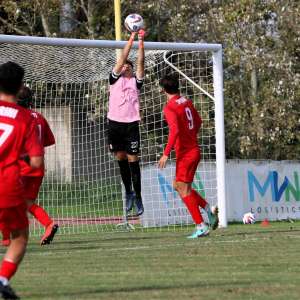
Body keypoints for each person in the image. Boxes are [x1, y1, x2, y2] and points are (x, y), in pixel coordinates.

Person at [0, 61, 44, 299]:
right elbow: (36, 162)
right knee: (19, 238)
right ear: (19, 88)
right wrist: (19, 158)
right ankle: (2, 279)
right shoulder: (26, 117)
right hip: (7, 186)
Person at [158, 74, 218, 238]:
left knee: (183, 190)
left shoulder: (170, 107)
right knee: (179, 185)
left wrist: (165, 154)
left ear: (163, 90)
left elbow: (175, 131)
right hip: (193, 150)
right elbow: (198, 122)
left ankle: (201, 226)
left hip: (186, 154)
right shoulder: (186, 101)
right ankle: (208, 211)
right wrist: (190, 137)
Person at [1, 86, 58, 247]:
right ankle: (49, 224)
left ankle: (6, 237)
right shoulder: (39, 117)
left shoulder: (17, 118)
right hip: (37, 168)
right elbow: (47, 142)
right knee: (25, 203)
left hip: (20, 167)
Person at [107, 29, 145, 216]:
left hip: (131, 125)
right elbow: (123, 58)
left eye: (128, 66)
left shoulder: (136, 82)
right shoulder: (114, 80)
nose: (125, 67)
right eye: (123, 66)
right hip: (114, 124)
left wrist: (141, 42)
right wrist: (130, 38)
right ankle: (128, 192)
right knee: (120, 158)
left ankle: (138, 196)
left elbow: (140, 63)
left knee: (133, 160)